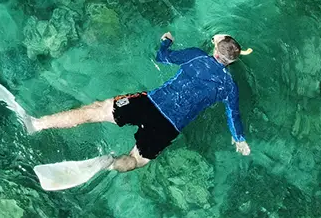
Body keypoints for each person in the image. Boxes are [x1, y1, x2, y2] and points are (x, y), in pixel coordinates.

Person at [14, 33, 252, 174]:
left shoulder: (195, 55)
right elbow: (234, 114)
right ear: (231, 62)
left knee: (96, 111)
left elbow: (162, 57)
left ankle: (37, 124)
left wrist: (165, 42)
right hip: (169, 127)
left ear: (215, 49)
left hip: (149, 103)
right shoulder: (229, 86)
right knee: (136, 160)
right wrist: (239, 139)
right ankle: (108, 163)